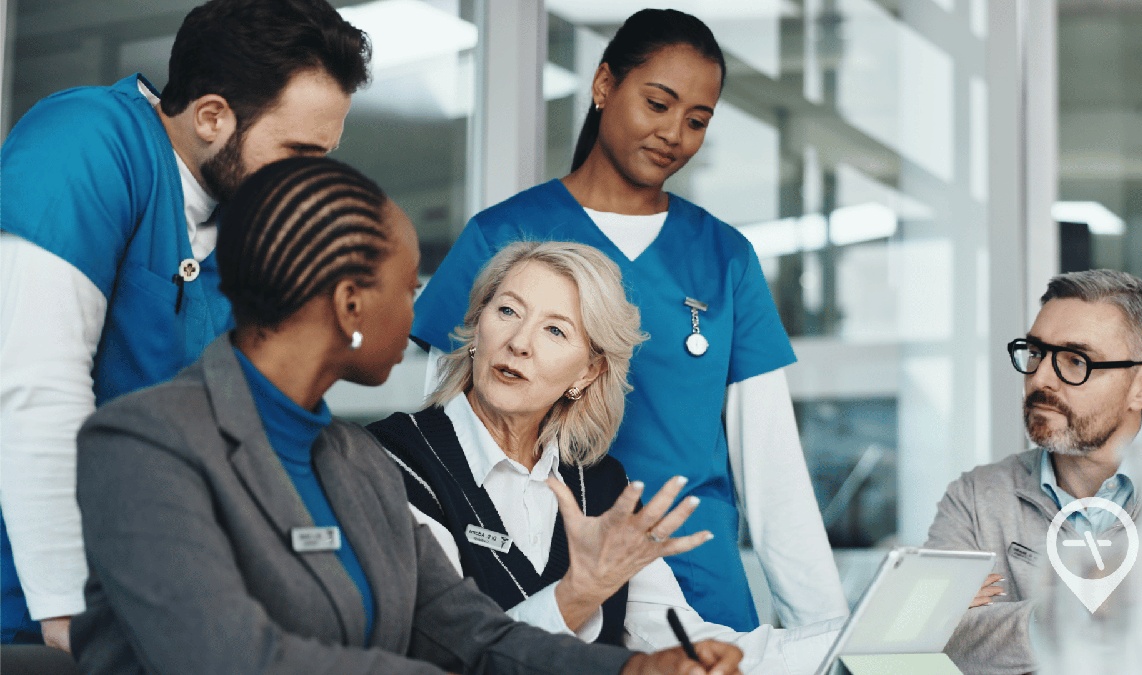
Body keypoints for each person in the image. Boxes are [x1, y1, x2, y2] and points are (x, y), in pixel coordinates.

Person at [71, 156, 742, 675]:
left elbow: (475, 636)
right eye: (408, 284)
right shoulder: (144, 442)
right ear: (350, 305)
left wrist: (635, 665)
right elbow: (233, 659)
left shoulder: (354, 460)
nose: (425, 310)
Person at [408, 8, 846, 632]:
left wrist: (829, 635)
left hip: (697, 576)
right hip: (545, 573)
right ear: (604, 85)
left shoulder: (725, 257)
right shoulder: (502, 235)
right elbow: (445, 440)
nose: (674, 133)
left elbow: (774, 472)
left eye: (697, 121)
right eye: (658, 104)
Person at [0, 0, 370, 648]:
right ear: (211, 117)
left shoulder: (248, 222)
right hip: (33, 607)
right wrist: (70, 621)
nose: (310, 179)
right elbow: (35, 386)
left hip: (150, 602)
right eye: (298, 151)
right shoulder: (83, 143)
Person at [371, 241, 842, 674]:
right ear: (477, 327)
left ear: (589, 371)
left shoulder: (600, 486)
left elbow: (674, 634)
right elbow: (448, 657)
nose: (519, 342)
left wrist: (855, 642)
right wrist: (579, 593)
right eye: (508, 310)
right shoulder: (393, 462)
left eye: (555, 330)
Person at [924, 269, 1142, 673]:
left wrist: (1009, 627)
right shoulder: (975, 498)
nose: (1040, 378)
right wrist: (1088, 608)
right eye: (1035, 353)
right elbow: (931, 639)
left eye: (1076, 360)